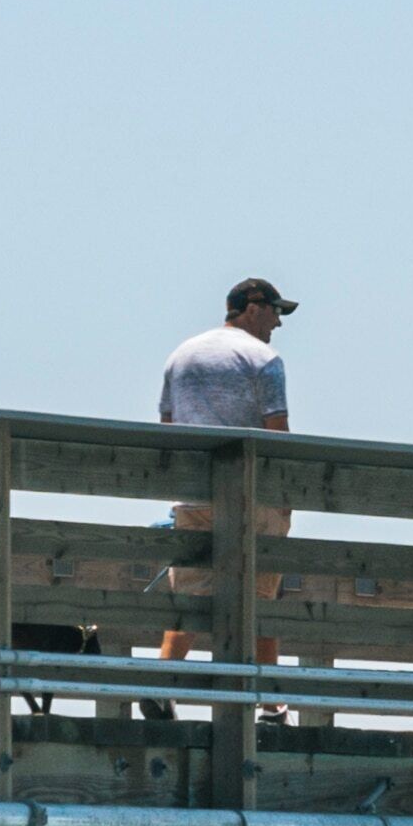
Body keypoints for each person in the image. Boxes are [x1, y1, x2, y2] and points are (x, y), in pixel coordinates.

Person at [150, 276, 296, 716]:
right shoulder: (265, 359)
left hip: (194, 494)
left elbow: (167, 428)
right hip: (254, 495)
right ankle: (270, 704)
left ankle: (161, 685)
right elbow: (278, 436)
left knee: (192, 595)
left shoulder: (181, 355)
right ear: (253, 308)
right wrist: (285, 496)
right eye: (274, 312)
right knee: (261, 596)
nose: (277, 324)